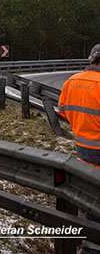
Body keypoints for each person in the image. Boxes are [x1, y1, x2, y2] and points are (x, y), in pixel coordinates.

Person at [58, 43, 100, 254]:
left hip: (82, 144)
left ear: (91, 60)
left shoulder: (72, 81)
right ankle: (93, 246)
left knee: (88, 186)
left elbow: (63, 111)